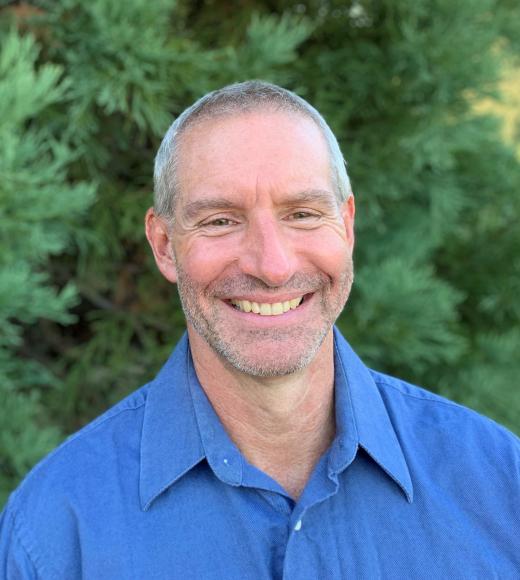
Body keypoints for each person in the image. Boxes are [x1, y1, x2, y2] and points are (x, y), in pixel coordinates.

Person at [0, 81, 519, 579]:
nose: (272, 265)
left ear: (348, 225)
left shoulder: (500, 486)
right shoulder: (55, 531)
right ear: (163, 245)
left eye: (302, 213)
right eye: (221, 221)